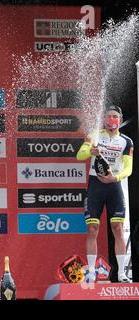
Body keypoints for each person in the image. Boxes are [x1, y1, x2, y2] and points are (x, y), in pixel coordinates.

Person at [76, 105, 134, 283]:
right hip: (95, 186)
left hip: (114, 186)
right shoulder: (95, 134)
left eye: (115, 116)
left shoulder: (127, 141)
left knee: (118, 229)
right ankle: (91, 272)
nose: (111, 119)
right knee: (92, 229)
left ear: (120, 118)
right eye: (108, 116)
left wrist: (115, 178)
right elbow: (80, 156)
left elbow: (129, 168)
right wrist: (90, 151)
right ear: (104, 119)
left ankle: (122, 273)